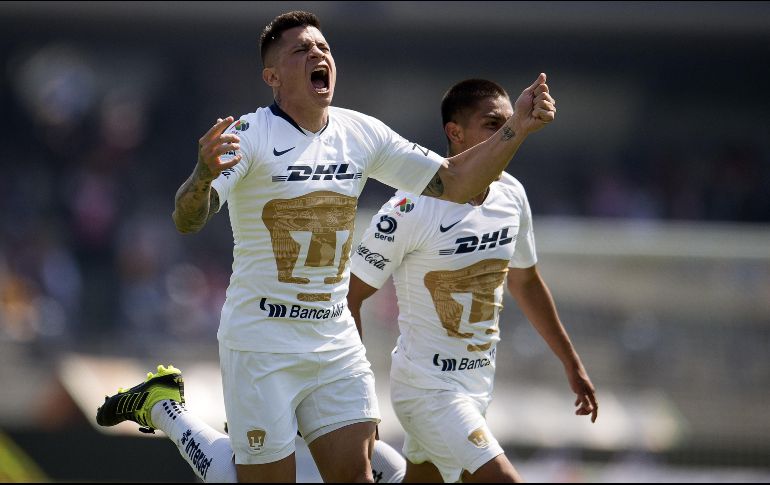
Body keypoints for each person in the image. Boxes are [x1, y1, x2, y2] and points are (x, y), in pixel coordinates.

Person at [96, 9, 556, 483]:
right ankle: (166, 408)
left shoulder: (361, 133)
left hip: (333, 340)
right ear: (272, 77)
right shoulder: (249, 136)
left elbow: (455, 181)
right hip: (261, 343)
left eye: (324, 48)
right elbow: (187, 218)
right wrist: (202, 175)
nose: (318, 54)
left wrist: (515, 128)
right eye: (301, 49)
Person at [347, 78, 597, 483]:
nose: (505, 132)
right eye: (494, 123)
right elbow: (349, 299)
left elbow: (526, 283)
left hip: (477, 385)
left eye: (508, 124)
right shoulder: (409, 207)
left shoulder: (512, 194)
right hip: (427, 391)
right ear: (455, 133)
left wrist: (571, 362)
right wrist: (357, 403)